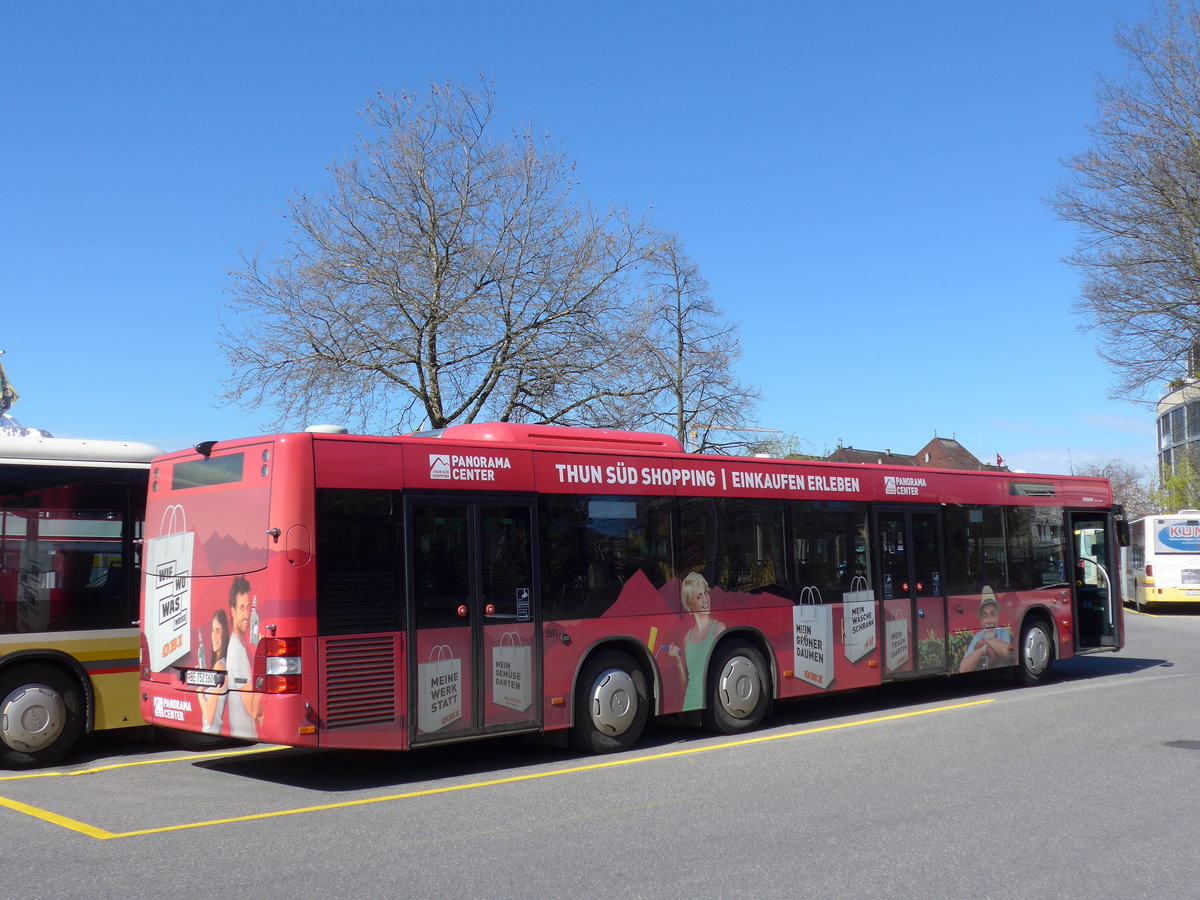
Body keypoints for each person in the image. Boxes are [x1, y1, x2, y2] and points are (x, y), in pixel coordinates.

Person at [667, 572, 726, 711]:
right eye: (699, 596)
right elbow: (685, 686)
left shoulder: (718, 629)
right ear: (690, 604)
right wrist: (678, 661)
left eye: (706, 593)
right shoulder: (687, 638)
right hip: (689, 705)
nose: (706, 599)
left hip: (711, 706)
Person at [225, 576, 262, 739]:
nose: (247, 614)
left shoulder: (239, 645)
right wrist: (264, 654)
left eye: (248, 607)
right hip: (244, 732)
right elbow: (253, 708)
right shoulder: (237, 651)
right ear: (232, 611)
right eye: (241, 608)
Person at [958, 587, 1013, 672]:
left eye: (993, 614)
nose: (989, 621)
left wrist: (987, 640)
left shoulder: (1003, 632)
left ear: (998, 617)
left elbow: (1008, 651)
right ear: (981, 621)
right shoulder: (977, 637)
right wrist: (984, 649)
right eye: (985, 616)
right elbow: (963, 668)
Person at [199, 608, 230, 734]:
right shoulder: (220, 663)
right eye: (213, 630)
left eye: (218, 631)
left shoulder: (220, 666)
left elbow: (210, 717)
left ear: (224, 634)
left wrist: (199, 693)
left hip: (210, 729)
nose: (214, 636)